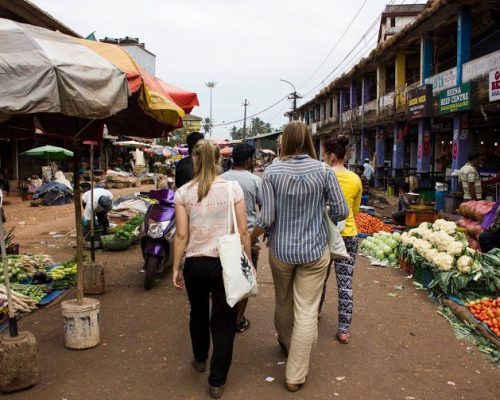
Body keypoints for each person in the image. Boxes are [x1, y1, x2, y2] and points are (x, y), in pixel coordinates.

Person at [251, 121, 348, 392]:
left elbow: (267, 218)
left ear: (284, 141)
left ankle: (288, 343)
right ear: (307, 140)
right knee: (306, 309)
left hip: (281, 252)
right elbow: (341, 212)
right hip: (315, 252)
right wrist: (318, 210)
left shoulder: (271, 172)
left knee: (283, 303)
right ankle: (295, 375)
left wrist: (248, 238)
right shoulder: (323, 171)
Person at [172, 139, 251, 399]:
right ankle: (216, 381)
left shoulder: (183, 192)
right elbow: (242, 231)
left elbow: (181, 235)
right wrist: (247, 262)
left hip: (195, 264)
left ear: (195, 160)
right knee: (224, 322)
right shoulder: (232, 189)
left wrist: (175, 267)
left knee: (197, 312)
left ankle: (199, 357)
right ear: (218, 160)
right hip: (225, 264)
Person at [319, 137, 362, 344]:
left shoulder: (323, 176)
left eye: (323, 155)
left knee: (319, 279)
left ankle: (315, 312)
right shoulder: (355, 179)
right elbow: (354, 211)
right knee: (345, 284)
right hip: (349, 235)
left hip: (325, 235)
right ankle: (344, 330)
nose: (322, 158)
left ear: (332, 156)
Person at [221, 143, 262, 333]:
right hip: (248, 238)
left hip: (223, 238)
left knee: (224, 277)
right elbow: (265, 210)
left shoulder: (220, 179)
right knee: (245, 278)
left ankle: (224, 318)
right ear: (248, 161)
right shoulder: (255, 181)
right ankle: (238, 319)